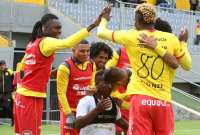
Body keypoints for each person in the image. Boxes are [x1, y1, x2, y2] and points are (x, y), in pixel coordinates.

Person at [97, 3, 192, 135]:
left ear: (138, 20)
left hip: (141, 100)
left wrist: (105, 19)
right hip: (163, 101)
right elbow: (187, 65)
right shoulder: (172, 39)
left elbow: (101, 32)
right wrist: (183, 42)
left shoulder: (132, 36)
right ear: (153, 19)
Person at [14, 9, 107, 135]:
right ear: (44, 28)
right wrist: (93, 25)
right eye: (56, 28)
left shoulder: (32, 43)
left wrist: (46, 73)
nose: (59, 31)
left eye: (60, 28)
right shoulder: (46, 42)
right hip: (32, 97)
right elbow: (67, 42)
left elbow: (22, 66)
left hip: (21, 95)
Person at [57, 40, 96, 135]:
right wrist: (68, 114)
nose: (85, 54)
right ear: (73, 50)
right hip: (70, 110)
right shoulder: (65, 67)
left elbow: (92, 84)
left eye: (88, 51)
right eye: (82, 51)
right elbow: (61, 93)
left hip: (86, 111)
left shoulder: (92, 64)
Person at [75, 68, 128, 135]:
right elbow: (77, 125)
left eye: (111, 83)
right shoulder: (86, 100)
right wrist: (97, 110)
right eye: (106, 83)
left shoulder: (114, 103)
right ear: (97, 83)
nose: (109, 86)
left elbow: (126, 127)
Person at [0, 60, 14, 126]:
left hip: (8, 93)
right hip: (0, 93)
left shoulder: (10, 71)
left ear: (5, 65)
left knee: (8, 107)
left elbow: (14, 81)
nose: (2, 66)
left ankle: (13, 120)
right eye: (0, 65)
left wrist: (14, 89)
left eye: (3, 65)